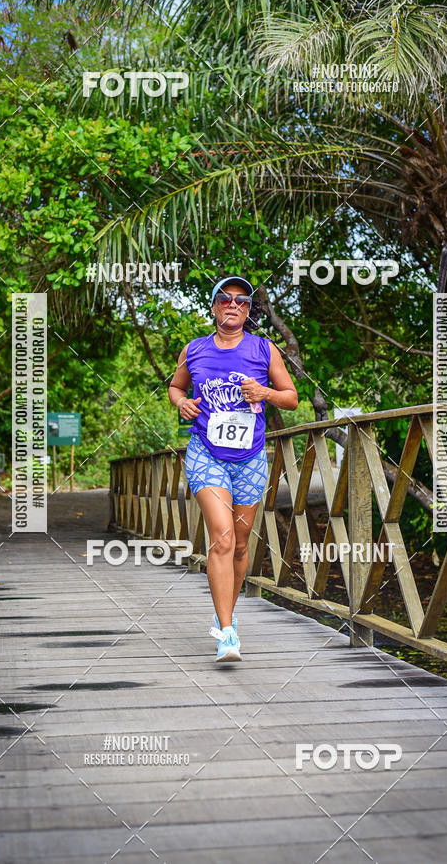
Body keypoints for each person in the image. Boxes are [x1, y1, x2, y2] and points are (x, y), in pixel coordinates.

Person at [168, 276, 298, 662]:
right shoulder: (194, 350)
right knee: (222, 539)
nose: (233, 305)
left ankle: (228, 612)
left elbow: (291, 398)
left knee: (240, 543)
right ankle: (226, 633)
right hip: (206, 453)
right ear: (213, 307)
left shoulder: (264, 349)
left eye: (242, 301)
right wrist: (181, 403)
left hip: (251, 458)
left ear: (248, 311)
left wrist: (266, 394)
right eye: (225, 299)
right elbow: (176, 388)